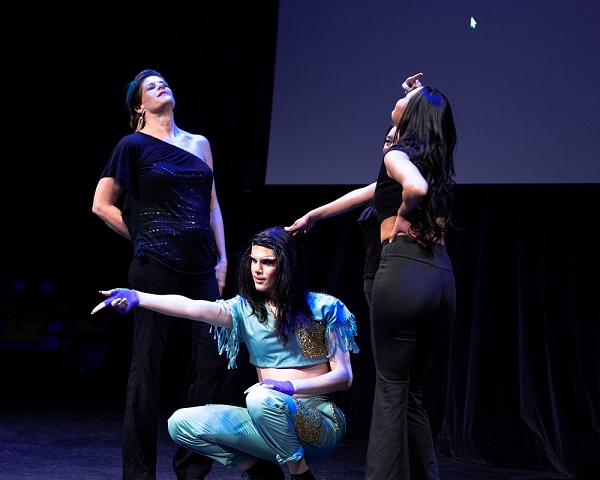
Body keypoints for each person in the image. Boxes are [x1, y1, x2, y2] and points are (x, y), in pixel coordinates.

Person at [287, 72, 457, 479]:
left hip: (401, 272)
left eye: (407, 99)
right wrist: (313, 215)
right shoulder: (435, 162)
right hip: (442, 279)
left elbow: (411, 188)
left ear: (410, 119)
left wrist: (400, 216)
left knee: (391, 388)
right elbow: (361, 194)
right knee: (412, 393)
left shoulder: (398, 157)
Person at [92, 226, 360, 480]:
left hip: (318, 425)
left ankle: (301, 475)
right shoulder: (244, 310)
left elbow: (343, 377)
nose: (257, 269)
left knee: (259, 397)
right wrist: (138, 296)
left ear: (286, 266)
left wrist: (288, 387)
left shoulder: (325, 308)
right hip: (265, 419)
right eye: (253, 261)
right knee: (180, 423)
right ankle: (260, 471)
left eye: (267, 262)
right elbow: (190, 307)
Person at [91, 68, 242, 480]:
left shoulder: (200, 144)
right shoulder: (132, 145)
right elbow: (101, 204)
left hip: (201, 267)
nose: (161, 86)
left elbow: (212, 205)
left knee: (210, 366)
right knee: (147, 365)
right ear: (139, 106)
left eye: (164, 82)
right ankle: (139, 473)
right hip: (154, 266)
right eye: (150, 86)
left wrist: (223, 259)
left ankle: (192, 469)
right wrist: (142, 239)